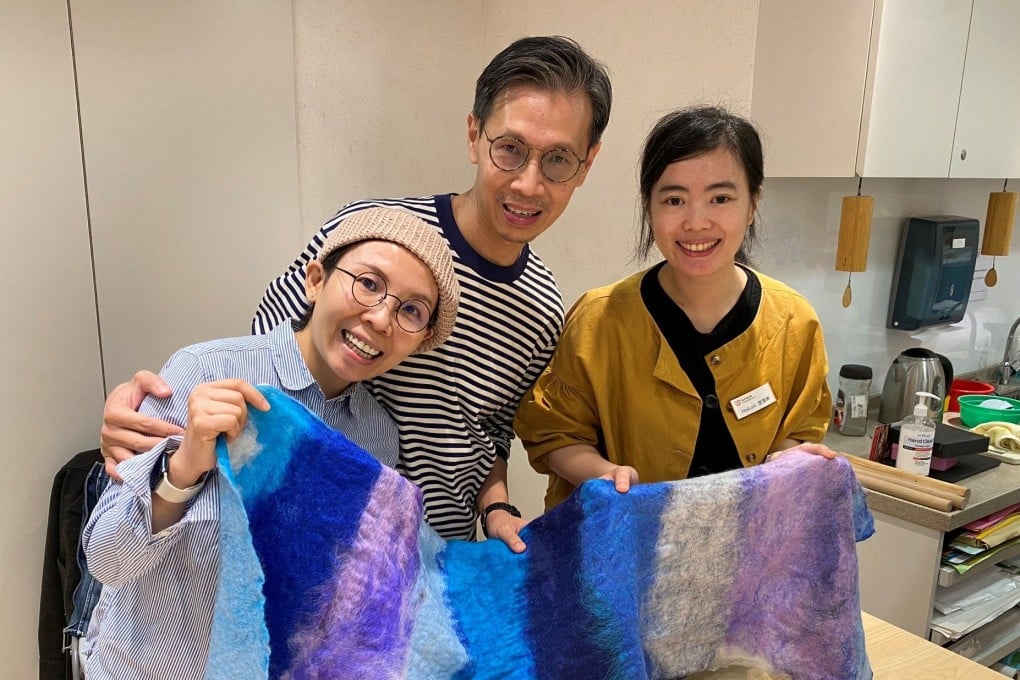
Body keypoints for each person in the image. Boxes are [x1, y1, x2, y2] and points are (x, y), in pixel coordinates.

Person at [97, 35, 612, 550]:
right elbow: (263, 367)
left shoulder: (544, 308)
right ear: (475, 135)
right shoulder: (369, 237)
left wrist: (496, 506)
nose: (528, 183)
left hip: (435, 557)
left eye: (558, 160)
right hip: (311, 546)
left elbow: (493, 433)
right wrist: (156, 421)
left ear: (586, 165)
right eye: (511, 149)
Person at [79, 208, 460, 680]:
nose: (381, 317)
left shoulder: (377, 436)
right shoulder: (206, 373)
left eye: (411, 310)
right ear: (316, 280)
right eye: (368, 283)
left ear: (420, 340)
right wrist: (183, 468)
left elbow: (340, 597)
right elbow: (107, 558)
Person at [514, 105, 834, 510]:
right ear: (649, 208)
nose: (696, 222)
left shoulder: (794, 322)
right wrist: (603, 472)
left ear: (752, 204)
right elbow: (554, 434)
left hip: (749, 558)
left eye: (720, 198)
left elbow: (802, 427)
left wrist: (785, 461)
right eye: (674, 199)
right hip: (627, 556)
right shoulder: (600, 319)